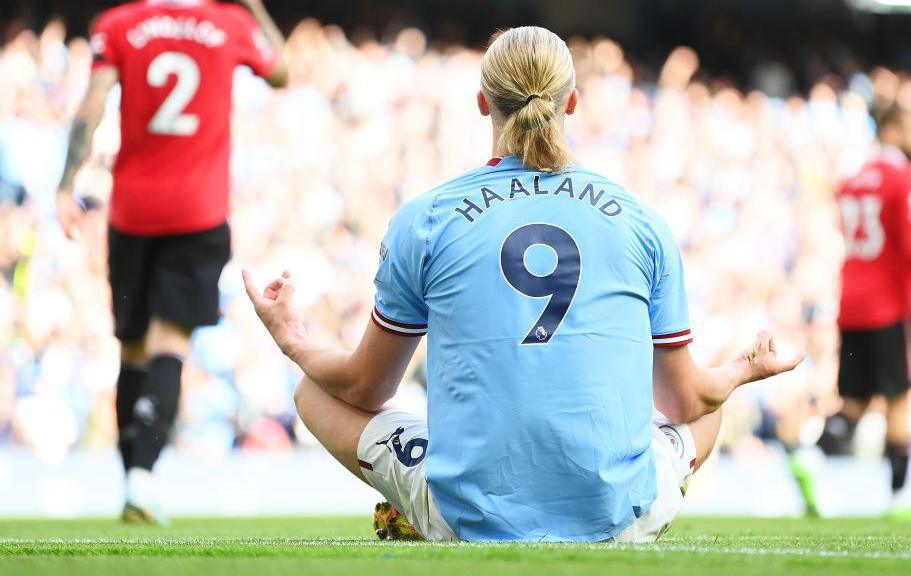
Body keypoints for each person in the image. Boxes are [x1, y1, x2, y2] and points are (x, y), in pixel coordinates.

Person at [244, 26, 802, 542]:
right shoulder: (641, 221)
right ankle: (622, 520)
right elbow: (685, 399)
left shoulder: (426, 217)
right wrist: (743, 370)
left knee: (312, 389)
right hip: (616, 517)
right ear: (573, 102)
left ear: (482, 102)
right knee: (711, 403)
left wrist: (292, 337)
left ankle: (421, 511)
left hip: (465, 517)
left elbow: (365, 389)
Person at [57, 0, 287, 524]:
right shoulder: (229, 24)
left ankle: (130, 478)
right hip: (198, 213)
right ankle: (142, 479)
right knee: (170, 345)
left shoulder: (119, 24)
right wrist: (254, 7)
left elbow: (92, 105)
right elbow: (281, 72)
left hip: (132, 211)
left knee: (132, 347)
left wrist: (67, 184)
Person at [810, 105, 911, 519]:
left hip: (851, 304)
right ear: (894, 129)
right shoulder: (904, 180)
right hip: (889, 304)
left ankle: (808, 462)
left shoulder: (851, 183)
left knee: (855, 402)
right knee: (899, 399)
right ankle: (899, 500)